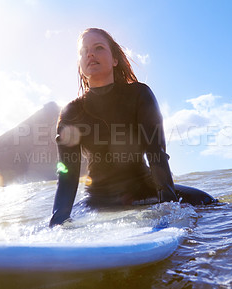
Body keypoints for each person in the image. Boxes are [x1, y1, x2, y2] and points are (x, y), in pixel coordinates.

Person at [49, 28, 217, 227]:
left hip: (144, 191)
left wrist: (169, 209)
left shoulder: (139, 95)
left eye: (99, 47)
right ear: (80, 63)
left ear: (114, 60)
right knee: (57, 221)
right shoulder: (71, 112)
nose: (90, 54)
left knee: (210, 204)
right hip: (99, 200)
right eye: (84, 51)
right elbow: (67, 175)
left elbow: (156, 154)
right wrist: (58, 223)